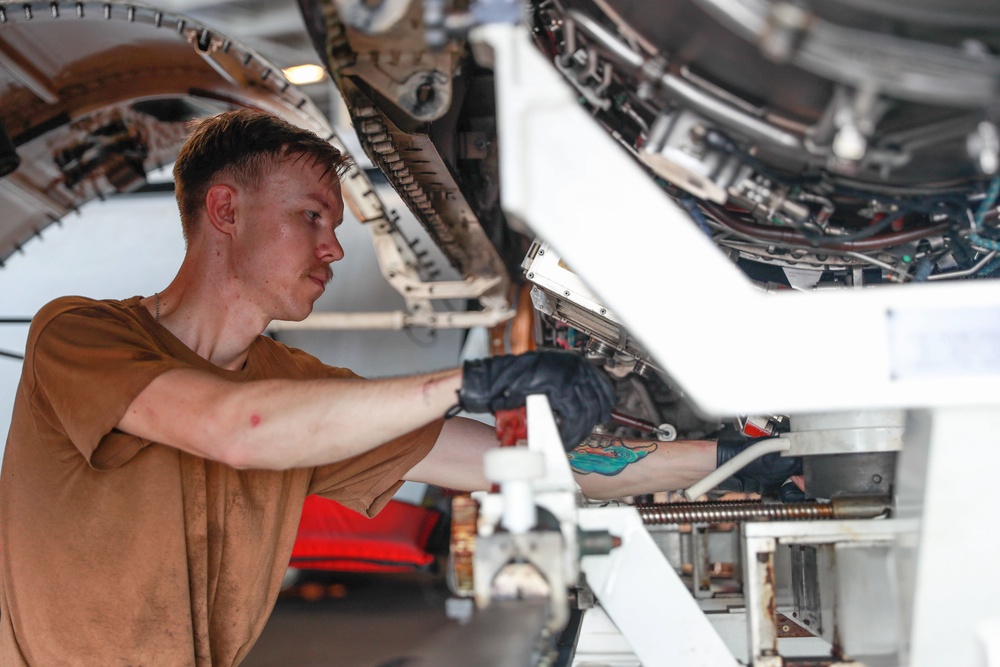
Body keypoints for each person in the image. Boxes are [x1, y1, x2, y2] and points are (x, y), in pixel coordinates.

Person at [0, 109, 797, 666]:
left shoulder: (298, 392)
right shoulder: (80, 333)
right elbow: (233, 427)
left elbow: (514, 463)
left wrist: (731, 458)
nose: (334, 249)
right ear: (225, 210)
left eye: (338, 226)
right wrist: (473, 379)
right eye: (313, 216)